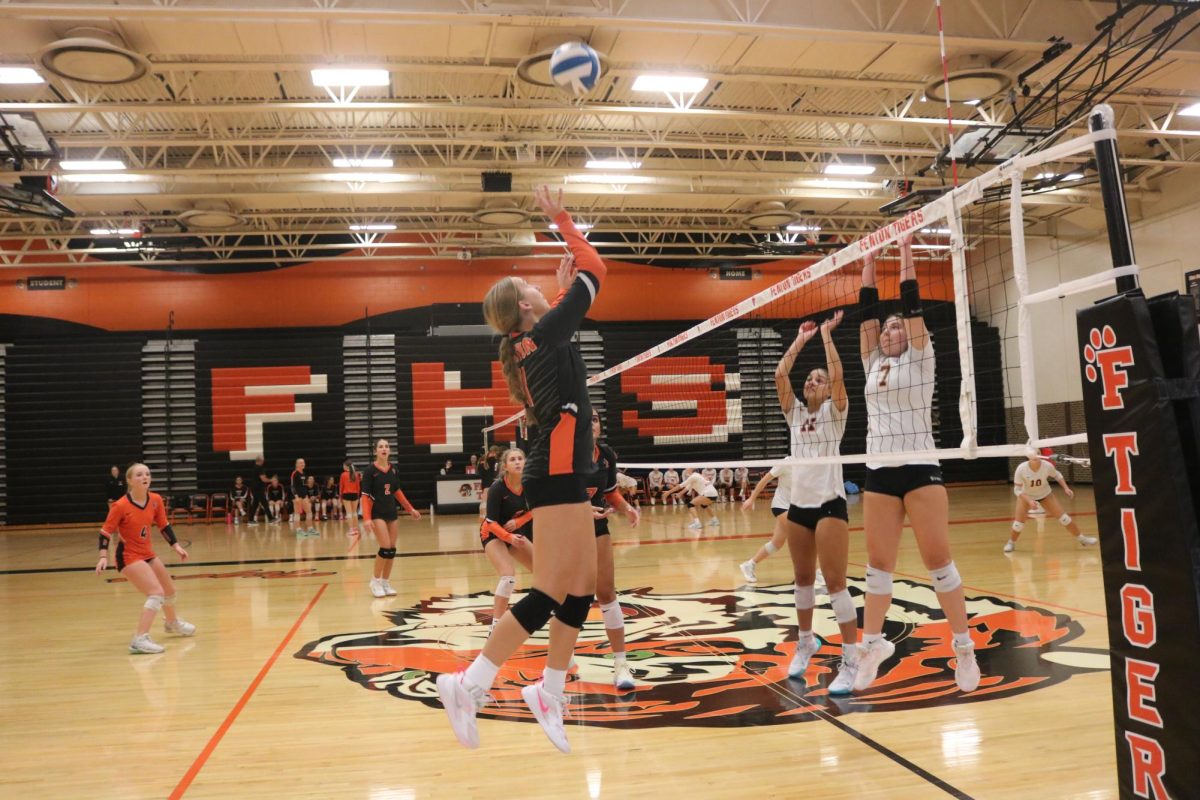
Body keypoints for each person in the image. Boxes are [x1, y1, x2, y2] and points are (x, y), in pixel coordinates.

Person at [437, 185, 607, 754]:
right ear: (527, 306)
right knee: (553, 588)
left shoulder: (536, 337)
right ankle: (469, 682)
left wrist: (559, 291)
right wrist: (559, 216)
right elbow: (595, 267)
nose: (538, 284)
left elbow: (565, 331)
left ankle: (549, 691)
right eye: (532, 287)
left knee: (580, 588)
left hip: (565, 467)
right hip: (555, 467)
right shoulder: (542, 332)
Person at [854, 238, 980, 694]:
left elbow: (912, 306)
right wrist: (869, 262)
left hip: (920, 464)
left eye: (896, 328)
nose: (889, 332)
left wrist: (905, 253)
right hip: (879, 470)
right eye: (885, 330)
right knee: (877, 567)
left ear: (909, 333)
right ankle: (872, 646)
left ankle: (963, 648)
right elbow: (866, 313)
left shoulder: (922, 357)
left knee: (938, 563)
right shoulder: (871, 363)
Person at [771, 312, 858, 694]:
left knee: (835, 582)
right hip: (799, 507)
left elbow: (838, 375)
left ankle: (852, 660)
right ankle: (806, 641)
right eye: (810, 378)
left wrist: (824, 336)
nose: (813, 380)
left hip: (829, 505)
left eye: (818, 379)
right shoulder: (793, 414)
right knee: (803, 580)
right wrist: (799, 340)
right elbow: (779, 375)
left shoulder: (834, 414)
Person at [96, 463, 195, 654]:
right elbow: (105, 532)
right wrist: (102, 556)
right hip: (128, 556)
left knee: (169, 590)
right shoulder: (120, 505)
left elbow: (164, 525)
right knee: (156, 592)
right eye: (139, 474)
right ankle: (139, 639)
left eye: (147, 474)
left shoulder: (156, 499)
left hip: (147, 552)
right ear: (130, 481)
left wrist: (176, 546)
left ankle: (172, 623)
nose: (145, 477)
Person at [587, 412, 641, 690]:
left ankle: (621, 664)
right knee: (568, 596)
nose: (592, 422)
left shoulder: (605, 455)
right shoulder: (564, 454)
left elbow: (610, 493)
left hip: (597, 528)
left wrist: (626, 507)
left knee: (606, 592)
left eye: (596, 418)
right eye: (587, 418)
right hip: (566, 529)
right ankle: (561, 660)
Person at [479, 448, 535, 627]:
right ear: (505, 466)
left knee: (544, 572)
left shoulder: (530, 484)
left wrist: (519, 523)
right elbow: (490, 522)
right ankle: (496, 625)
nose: (518, 462)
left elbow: (536, 509)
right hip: (493, 533)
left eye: (520, 458)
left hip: (515, 533)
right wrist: (508, 537)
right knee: (508, 576)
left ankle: (548, 610)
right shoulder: (497, 488)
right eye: (513, 460)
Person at [362, 438, 422, 598]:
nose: (384, 449)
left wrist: (410, 509)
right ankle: (374, 580)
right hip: (377, 514)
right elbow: (365, 497)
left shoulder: (393, 470)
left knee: (392, 550)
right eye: (381, 446)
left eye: (386, 446)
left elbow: (397, 492)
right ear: (376, 451)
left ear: (389, 450)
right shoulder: (369, 471)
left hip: (391, 512)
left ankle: (385, 582)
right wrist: (366, 518)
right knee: (385, 547)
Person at [1005, 454, 1097, 553]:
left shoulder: (1047, 466)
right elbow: (1017, 490)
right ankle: (1011, 543)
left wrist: (1066, 488)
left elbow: (1057, 475)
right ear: (1029, 458)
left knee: (1064, 519)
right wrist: (1029, 501)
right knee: (1018, 524)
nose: (1035, 459)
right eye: (1032, 457)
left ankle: (1082, 539)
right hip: (1026, 496)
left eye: (1037, 455)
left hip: (1045, 494)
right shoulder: (1021, 468)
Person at [291, 458, 316, 537]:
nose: (303, 464)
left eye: (303, 463)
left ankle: (310, 529)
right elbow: (292, 486)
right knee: (297, 513)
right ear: (297, 464)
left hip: (304, 496)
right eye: (301, 463)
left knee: (309, 512)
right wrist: (296, 496)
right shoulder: (294, 473)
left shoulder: (304, 474)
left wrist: (307, 496)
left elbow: (304, 486)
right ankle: (298, 530)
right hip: (297, 497)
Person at [339, 460, 362, 539]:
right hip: (355, 494)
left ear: (346, 466)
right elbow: (358, 487)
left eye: (343, 465)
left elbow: (341, 487)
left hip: (346, 494)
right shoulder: (356, 474)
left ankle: (351, 530)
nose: (343, 467)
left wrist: (340, 497)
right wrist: (358, 496)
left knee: (349, 513)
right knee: (354, 513)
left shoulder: (343, 475)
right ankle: (355, 529)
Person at [246, 455, 270, 525]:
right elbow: (263, 479)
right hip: (258, 489)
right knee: (265, 503)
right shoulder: (259, 468)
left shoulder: (254, 467)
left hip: (255, 488)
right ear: (260, 461)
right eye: (263, 460)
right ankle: (271, 519)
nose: (263, 462)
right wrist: (271, 480)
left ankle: (250, 520)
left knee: (255, 504)